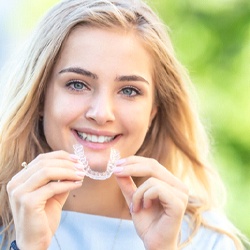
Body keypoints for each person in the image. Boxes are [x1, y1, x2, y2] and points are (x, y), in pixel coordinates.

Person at [0, 0, 248, 249]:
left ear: (153, 111)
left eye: (129, 90)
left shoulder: (209, 241)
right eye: (77, 84)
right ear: (40, 97)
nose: (101, 113)